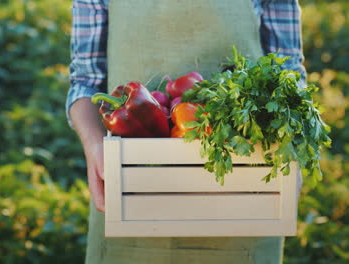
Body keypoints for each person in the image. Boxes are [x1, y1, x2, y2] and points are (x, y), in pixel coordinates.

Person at [66, 0, 306, 263]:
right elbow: (85, 83)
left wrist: (294, 147)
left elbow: (288, 74)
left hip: (245, 194)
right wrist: (94, 145)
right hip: (131, 190)